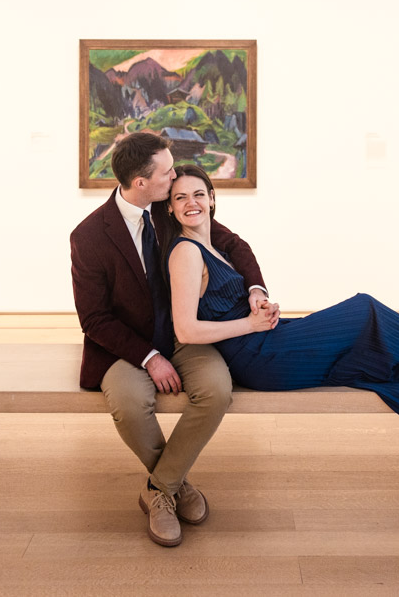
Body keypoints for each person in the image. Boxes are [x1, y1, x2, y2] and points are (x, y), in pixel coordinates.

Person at [162, 165, 399, 442]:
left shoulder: (212, 246)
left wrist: (258, 304)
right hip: (258, 358)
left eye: (197, 194)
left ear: (211, 197)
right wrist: (250, 324)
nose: (190, 203)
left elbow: (230, 287)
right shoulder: (186, 254)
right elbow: (186, 329)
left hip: (263, 339)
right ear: (170, 208)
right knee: (364, 310)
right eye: (180, 198)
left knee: (368, 355)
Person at [70, 132, 277, 547]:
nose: (176, 177)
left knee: (217, 391)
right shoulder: (88, 237)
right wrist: (148, 357)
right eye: (167, 172)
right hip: (124, 347)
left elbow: (234, 245)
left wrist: (257, 290)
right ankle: (176, 488)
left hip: (184, 335)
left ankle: (159, 486)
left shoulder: (171, 210)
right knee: (131, 405)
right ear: (141, 182)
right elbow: (94, 319)